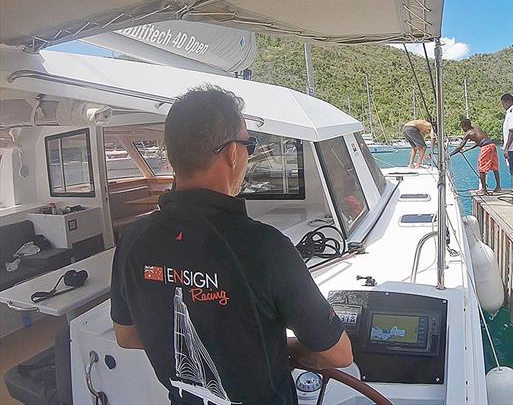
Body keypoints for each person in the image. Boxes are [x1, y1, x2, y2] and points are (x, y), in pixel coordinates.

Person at [110, 85, 352, 405]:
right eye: (249, 144)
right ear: (233, 152)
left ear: (171, 154)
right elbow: (338, 354)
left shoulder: (133, 240)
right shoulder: (267, 248)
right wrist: (283, 347)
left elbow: (126, 336)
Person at [450, 116, 501, 194]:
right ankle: (498, 187)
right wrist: (468, 149)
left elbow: (460, 147)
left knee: (482, 167)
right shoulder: (477, 129)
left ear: (466, 126)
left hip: (486, 147)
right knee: (494, 167)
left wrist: (450, 155)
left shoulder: (469, 133)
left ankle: (484, 189)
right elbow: (480, 141)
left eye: (463, 127)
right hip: (492, 145)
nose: (463, 129)